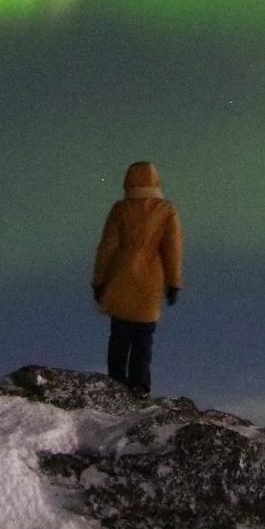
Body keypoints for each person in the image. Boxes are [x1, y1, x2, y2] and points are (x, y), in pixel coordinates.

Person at [91, 160, 183, 394]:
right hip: (152, 276)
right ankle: (140, 383)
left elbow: (107, 247)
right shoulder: (166, 210)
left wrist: (99, 280)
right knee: (144, 335)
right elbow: (172, 247)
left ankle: (115, 380)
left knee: (119, 332)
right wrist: (174, 281)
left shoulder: (120, 209)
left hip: (120, 273)